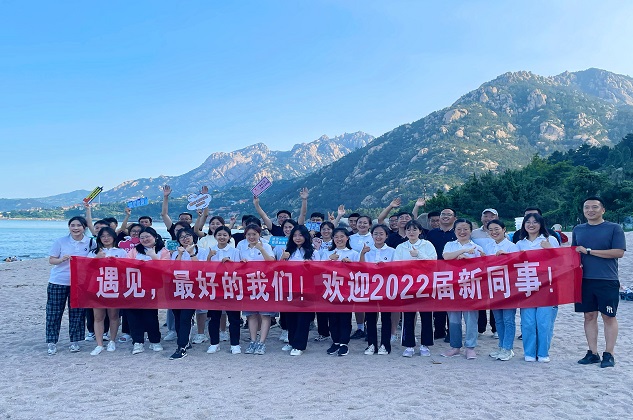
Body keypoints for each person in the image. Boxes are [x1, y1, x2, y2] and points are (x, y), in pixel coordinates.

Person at [573, 197, 626, 368]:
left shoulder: (614, 228)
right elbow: (574, 253)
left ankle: (609, 354)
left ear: (603, 210)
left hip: (607, 279)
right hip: (584, 280)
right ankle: (592, 352)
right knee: (589, 316)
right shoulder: (578, 229)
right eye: (586, 207)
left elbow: (618, 252)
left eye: (594, 207)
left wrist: (589, 251)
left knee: (608, 316)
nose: (590, 210)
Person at [515, 212, 560, 363]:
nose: (531, 225)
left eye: (535, 222)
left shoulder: (550, 240)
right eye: (528, 222)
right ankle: (529, 352)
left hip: (547, 286)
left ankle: (543, 353)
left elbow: (561, 261)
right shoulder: (520, 244)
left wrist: (549, 249)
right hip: (527, 287)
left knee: (544, 321)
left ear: (541, 224)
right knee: (528, 322)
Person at [46, 216, 93, 355]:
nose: (75, 228)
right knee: (54, 312)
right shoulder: (60, 241)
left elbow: (95, 259)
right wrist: (61, 260)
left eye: (79, 225)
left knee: (77, 313)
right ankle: (51, 342)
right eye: (72, 225)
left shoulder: (90, 242)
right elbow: (51, 260)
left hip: (79, 283)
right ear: (69, 227)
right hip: (58, 281)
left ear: (84, 227)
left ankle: (75, 341)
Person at [441, 218, 485, 360]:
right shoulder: (450, 245)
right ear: (454, 231)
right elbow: (446, 256)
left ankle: (470, 347)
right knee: (454, 318)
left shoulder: (477, 248)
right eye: (459, 229)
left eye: (465, 229)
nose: (462, 232)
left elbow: (483, 265)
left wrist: (467, 259)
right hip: (452, 286)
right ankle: (455, 346)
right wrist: (463, 251)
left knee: (471, 318)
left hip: (470, 286)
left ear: (471, 231)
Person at [394, 220, 437, 357]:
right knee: (408, 316)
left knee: (426, 316)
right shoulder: (401, 247)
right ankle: (409, 345)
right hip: (407, 286)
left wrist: (418, 254)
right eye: (408, 230)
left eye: (414, 229)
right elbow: (396, 265)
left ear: (420, 231)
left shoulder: (427, 245)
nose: (411, 232)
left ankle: (425, 345)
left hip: (425, 285)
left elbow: (433, 262)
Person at [126, 227, 170, 355]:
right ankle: (137, 342)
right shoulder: (134, 250)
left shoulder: (163, 251)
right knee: (134, 315)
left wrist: (154, 257)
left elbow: (165, 268)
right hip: (135, 286)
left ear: (155, 237)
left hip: (153, 287)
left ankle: (154, 340)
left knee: (151, 314)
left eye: (147, 236)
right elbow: (127, 264)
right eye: (142, 237)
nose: (145, 239)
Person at [482, 220, 519, 361]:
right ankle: (501, 346)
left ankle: (508, 348)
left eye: (496, 229)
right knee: (498, 319)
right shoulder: (488, 246)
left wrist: (508, 257)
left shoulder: (512, 246)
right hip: (493, 287)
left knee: (508, 319)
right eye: (490, 230)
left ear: (504, 229)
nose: (494, 232)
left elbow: (517, 265)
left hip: (509, 288)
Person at [86, 227, 127, 355]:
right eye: (103, 236)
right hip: (97, 286)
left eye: (108, 235)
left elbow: (126, 269)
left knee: (113, 315)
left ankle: (112, 340)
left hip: (114, 286)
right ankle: (99, 344)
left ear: (114, 237)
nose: (106, 238)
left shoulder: (121, 252)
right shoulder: (93, 252)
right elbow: (86, 269)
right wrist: (96, 258)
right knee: (98, 316)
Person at [280, 225, 320, 356]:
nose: (298, 238)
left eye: (301, 235)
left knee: (303, 317)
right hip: (290, 288)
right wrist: (282, 259)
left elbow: (318, 271)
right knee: (290, 316)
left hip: (306, 289)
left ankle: (299, 345)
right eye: (295, 235)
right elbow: (280, 270)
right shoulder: (288, 251)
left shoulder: (313, 252)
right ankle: (292, 341)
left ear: (306, 236)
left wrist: (309, 266)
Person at [169, 228, 208, 359]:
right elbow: (173, 269)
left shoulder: (202, 251)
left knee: (186, 317)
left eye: (187, 236)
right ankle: (184, 340)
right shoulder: (176, 252)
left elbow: (201, 269)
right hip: (178, 287)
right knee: (178, 317)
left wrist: (191, 254)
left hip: (193, 288)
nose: (185, 239)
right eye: (182, 237)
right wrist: (180, 255)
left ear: (193, 237)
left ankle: (182, 347)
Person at [321, 228, 359, 356]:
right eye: (336, 237)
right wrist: (329, 260)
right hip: (330, 289)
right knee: (332, 317)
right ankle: (335, 341)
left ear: (347, 238)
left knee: (345, 317)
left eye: (342, 236)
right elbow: (318, 269)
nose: (339, 239)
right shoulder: (327, 253)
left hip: (346, 290)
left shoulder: (353, 253)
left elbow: (360, 270)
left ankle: (344, 343)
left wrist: (351, 264)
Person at [238, 224, 276, 355]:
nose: (251, 237)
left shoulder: (266, 246)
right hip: (249, 284)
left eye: (254, 234)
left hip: (264, 283)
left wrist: (261, 249)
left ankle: (262, 342)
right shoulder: (242, 247)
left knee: (265, 314)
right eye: (249, 234)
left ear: (259, 234)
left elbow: (272, 261)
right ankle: (253, 341)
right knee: (251, 314)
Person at [205, 226, 242, 355]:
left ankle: (235, 344)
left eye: (225, 235)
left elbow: (239, 269)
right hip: (214, 287)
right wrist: (209, 257)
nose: (222, 237)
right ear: (215, 236)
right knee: (214, 317)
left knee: (234, 318)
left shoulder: (235, 251)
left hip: (231, 287)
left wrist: (230, 263)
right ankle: (214, 343)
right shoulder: (210, 250)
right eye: (219, 234)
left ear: (229, 237)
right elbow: (204, 270)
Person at [360, 224, 396, 355]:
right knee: (370, 317)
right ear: (371, 235)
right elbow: (361, 268)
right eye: (375, 234)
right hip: (370, 288)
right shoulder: (367, 250)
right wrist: (363, 254)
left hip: (386, 288)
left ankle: (385, 345)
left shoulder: (392, 251)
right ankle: (371, 344)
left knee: (386, 317)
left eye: (381, 234)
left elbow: (397, 269)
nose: (378, 236)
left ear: (386, 236)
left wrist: (385, 267)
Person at [426, 208, 457, 341]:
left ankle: (452, 331)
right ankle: (439, 330)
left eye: (449, 214)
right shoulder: (432, 234)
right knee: (437, 302)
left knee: (452, 303)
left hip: (453, 273)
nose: (445, 216)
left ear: (454, 218)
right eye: (443, 214)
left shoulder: (457, 233)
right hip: (435, 272)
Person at [471, 208, 499, 338]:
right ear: (481, 218)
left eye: (491, 216)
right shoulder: (474, 233)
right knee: (480, 300)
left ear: (497, 218)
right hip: (479, 272)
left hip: (496, 272)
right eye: (486, 216)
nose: (488, 218)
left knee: (495, 300)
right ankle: (480, 328)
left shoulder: (501, 232)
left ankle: (496, 328)